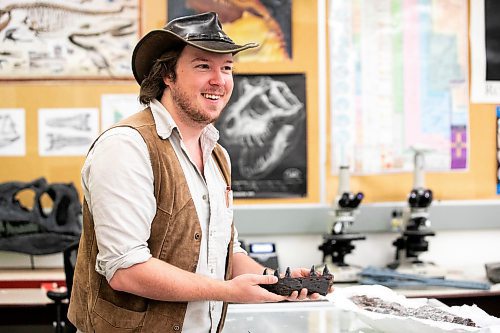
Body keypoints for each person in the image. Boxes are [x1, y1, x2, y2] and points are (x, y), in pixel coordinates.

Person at [68, 12, 328, 333]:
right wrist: (227, 291)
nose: (219, 80)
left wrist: (276, 283)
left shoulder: (217, 154)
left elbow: (226, 252)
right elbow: (126, 269)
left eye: (227, 68)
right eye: (203, 66)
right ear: (167, 74)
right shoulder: (127, 146)